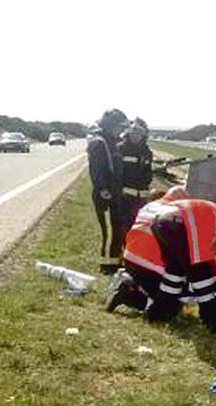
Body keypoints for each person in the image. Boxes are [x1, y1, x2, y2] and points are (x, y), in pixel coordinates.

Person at [148, 199, 216, 331]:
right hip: (182, 223)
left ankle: (158, 312)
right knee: (202, 275)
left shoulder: (215, 217)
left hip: (161, 220)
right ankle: (212, 322)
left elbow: (207, 257)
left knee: (175, 272)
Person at [107, 186, 188, 314]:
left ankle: (133, 286)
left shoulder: (150, 206)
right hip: (150, 265)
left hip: (129, 257)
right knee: (171, 307)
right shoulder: (176, 214)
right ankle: (128, 295)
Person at [87, 109, 130, 273]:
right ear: (110, 125)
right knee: (110, 231)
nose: (121, 130)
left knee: (118, 229)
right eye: (119, 126)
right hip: (105, 196)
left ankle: (115, 261)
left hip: (115, 193)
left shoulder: (112, 142)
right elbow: (97, 172)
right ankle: (107, 265)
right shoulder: (99, 143)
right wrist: (105, 191)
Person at [117, 118, 153, 234]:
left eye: (138, 134)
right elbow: (116, 173)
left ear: (143, 135)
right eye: (133, 133)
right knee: (124, 229)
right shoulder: (120, 149)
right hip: (124, 198)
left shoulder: (147, 152)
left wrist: (147, 182)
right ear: (128, 133)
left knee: (139, 228)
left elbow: (148, 171)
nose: (135, 136)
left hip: (141, 198)